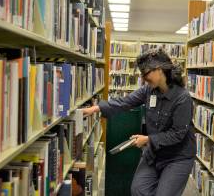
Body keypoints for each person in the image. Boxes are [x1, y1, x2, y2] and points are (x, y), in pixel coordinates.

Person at [82, 49, 196, 196]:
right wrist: (96, 108)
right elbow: (125, 102)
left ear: (159, 70)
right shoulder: (148, 90)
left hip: (177, 156)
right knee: (138, 190)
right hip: (155, 152)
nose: (143, 78)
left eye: (146, 73)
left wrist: (147, 139)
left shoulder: (182, 98)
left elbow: (178, 134)